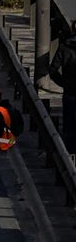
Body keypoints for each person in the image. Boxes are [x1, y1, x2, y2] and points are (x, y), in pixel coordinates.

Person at [49, 23, 76, 153]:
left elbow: (53, 70)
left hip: (70, 91)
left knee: (69, 124)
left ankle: (69, 153)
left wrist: (64, 83)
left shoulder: (64, 48)